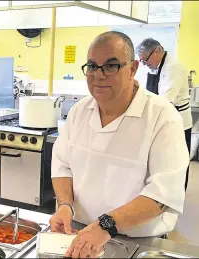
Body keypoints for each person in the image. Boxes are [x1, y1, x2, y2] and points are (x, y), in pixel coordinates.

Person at [50, 31, 189, 258]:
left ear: (133, 69)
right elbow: (62, 165)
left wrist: (105, 226)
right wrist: (65, 205)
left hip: (139, 241)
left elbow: (162, 194)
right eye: (93, 66)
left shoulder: (162, 117)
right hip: (79, 231)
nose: (99, 75)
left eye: (111, 65)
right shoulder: (79, 112)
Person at [136, 38, 192, 190]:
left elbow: (166, 100)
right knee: (164, 158)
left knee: (180, 160)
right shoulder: (157, 67)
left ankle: (178, 192)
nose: (144, 64)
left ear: (157, 51)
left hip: (179, 121)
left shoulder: (173, 67)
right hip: (165, 117)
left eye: (145, 60)